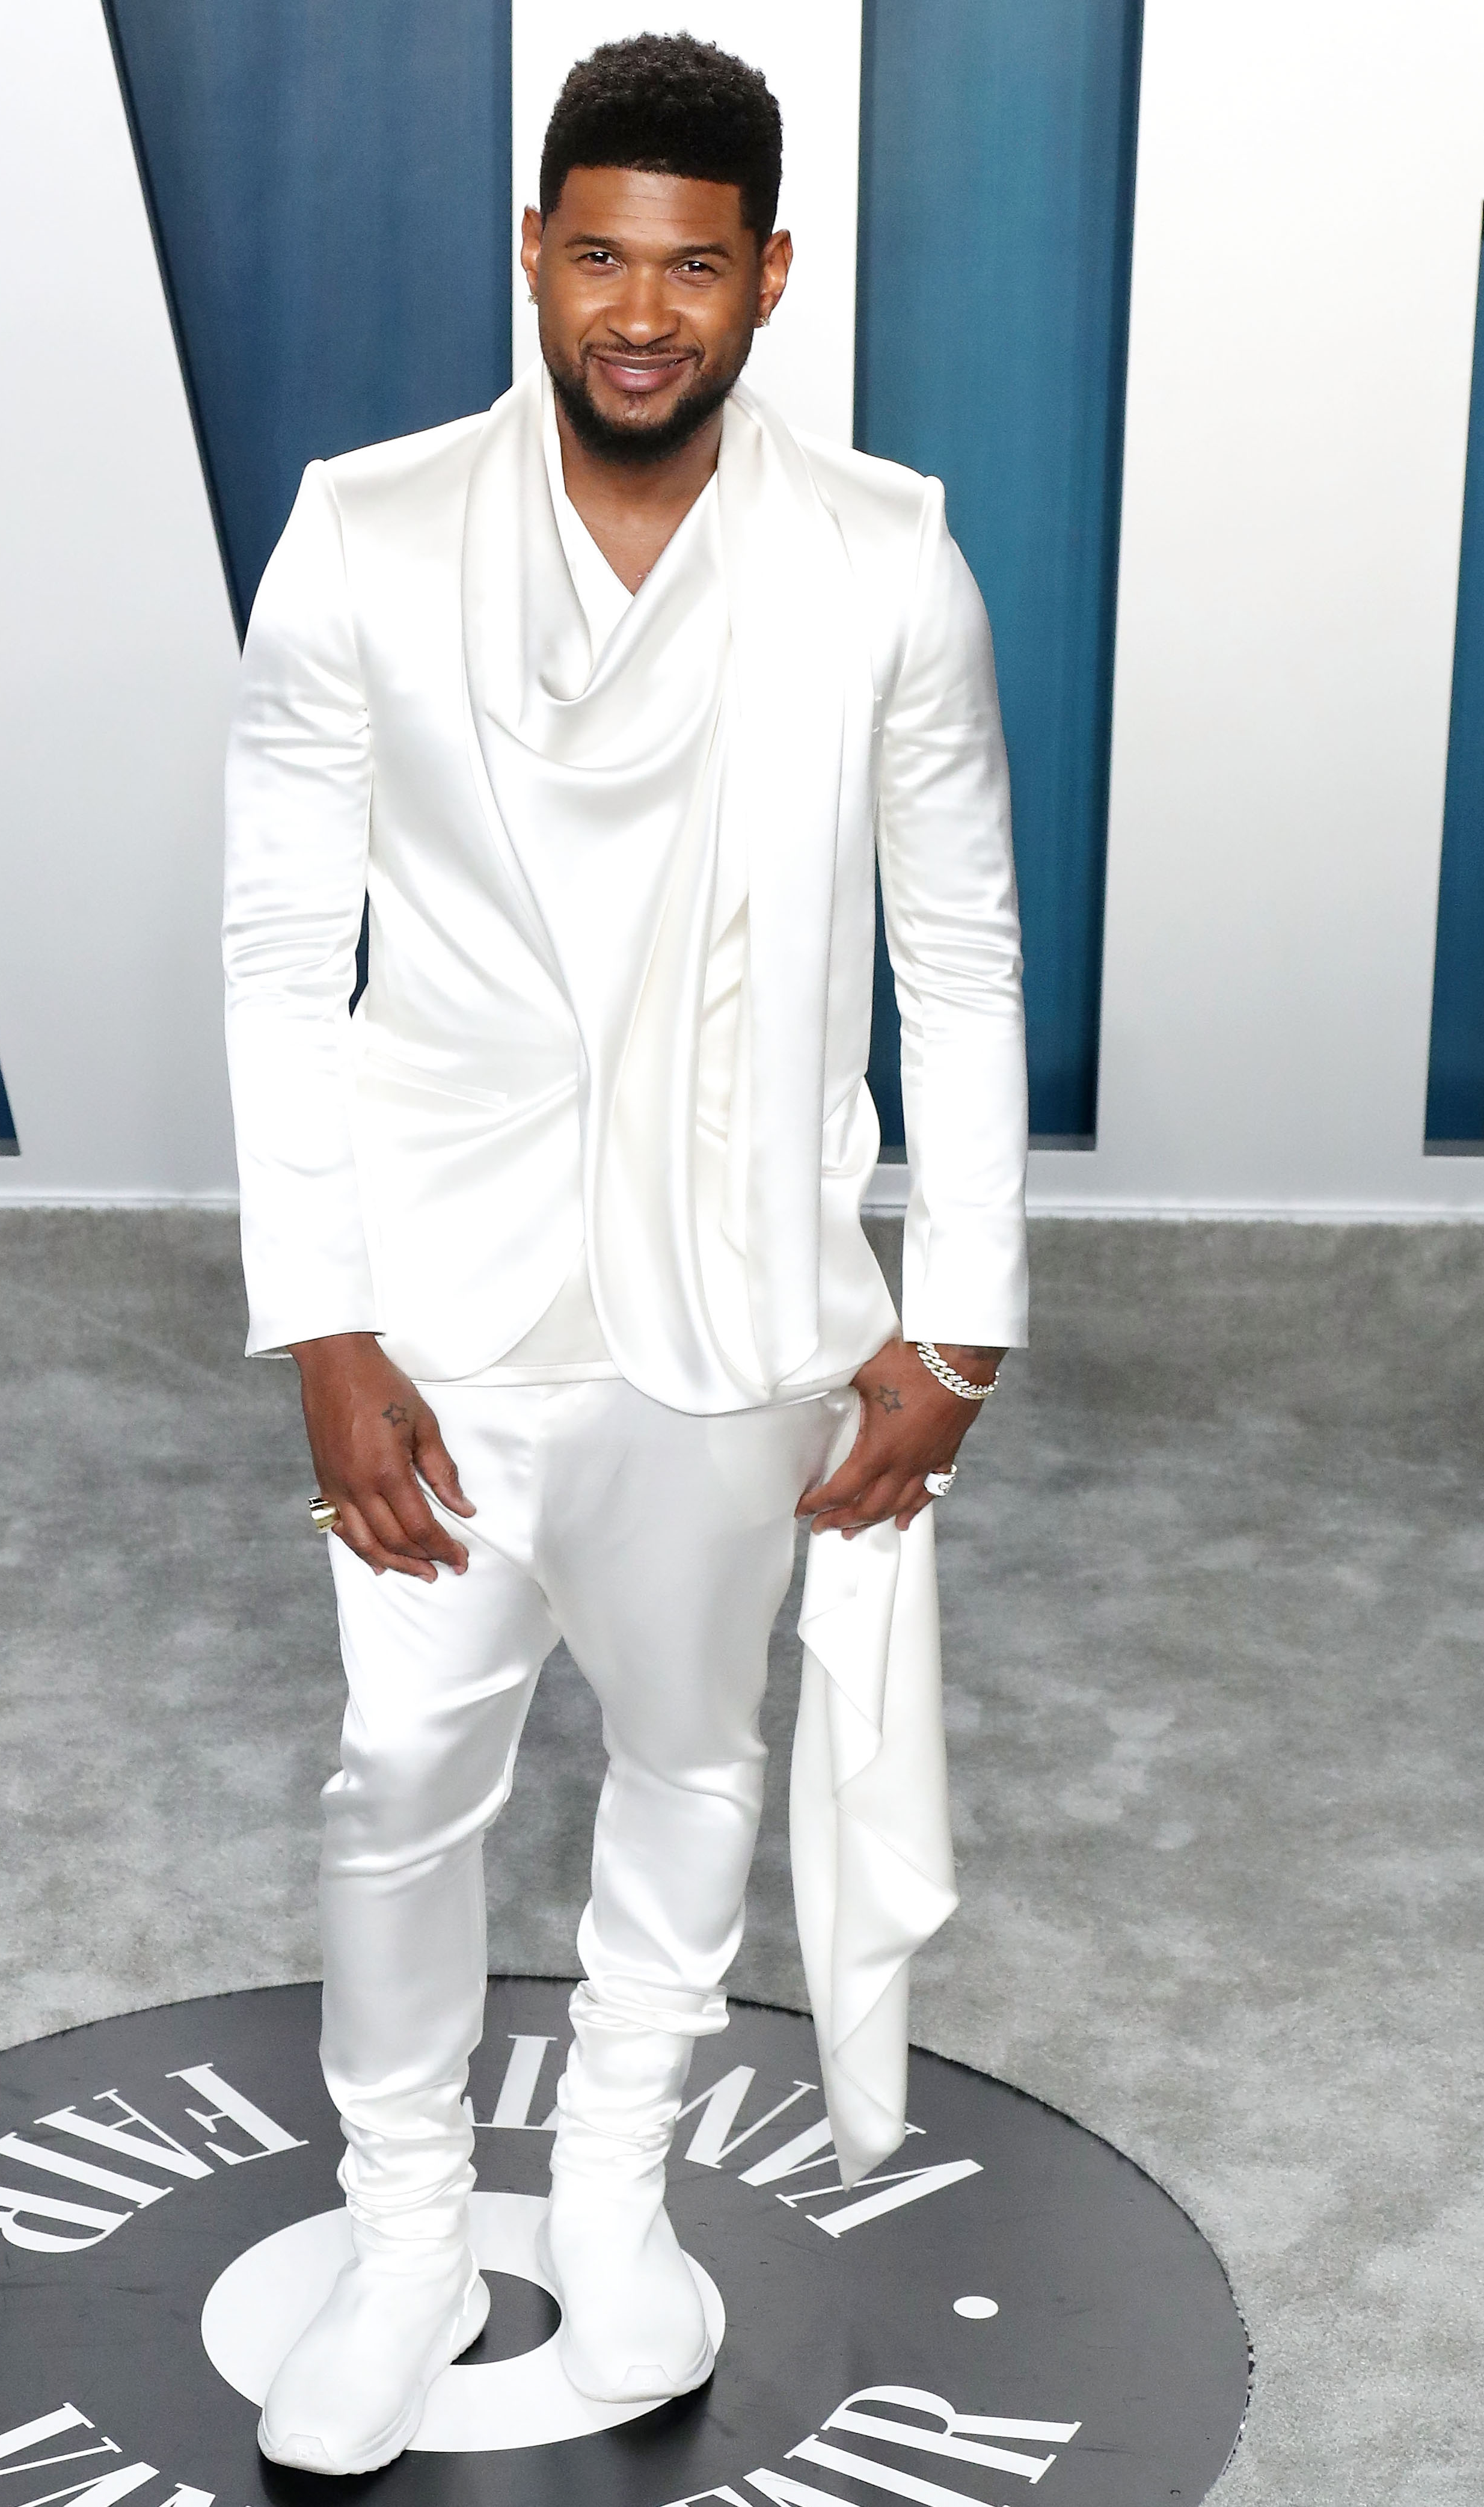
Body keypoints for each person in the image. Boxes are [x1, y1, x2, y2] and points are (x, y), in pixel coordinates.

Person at [222, 32, 1026, 2478]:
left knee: (691, 1753)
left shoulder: (887, 559)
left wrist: (959, 1318)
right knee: (399, 1773)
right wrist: (320, 1317)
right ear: (534, 255)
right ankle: (400, 2235)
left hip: (739, 1294)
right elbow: (280, 949)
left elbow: (961, 954)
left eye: (690, 266)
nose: (639, 312)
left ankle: (611, 2188)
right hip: (435, 1302)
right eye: (597, 256)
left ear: (768, 275)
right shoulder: (361, 534)